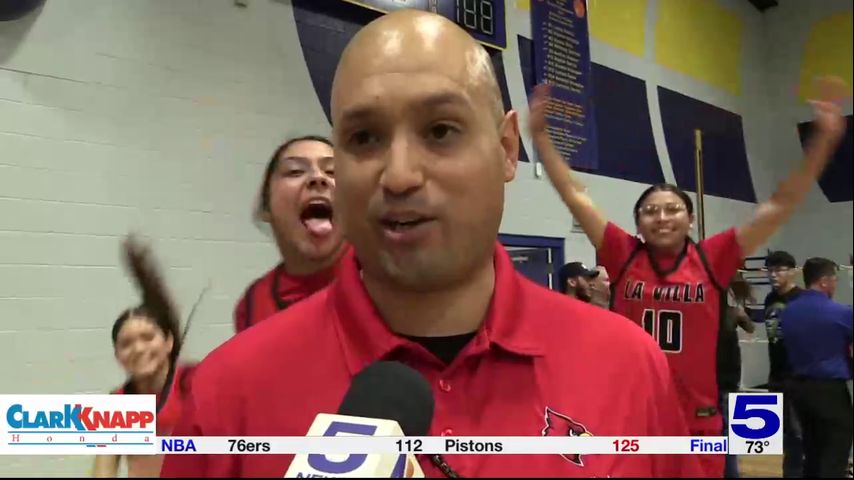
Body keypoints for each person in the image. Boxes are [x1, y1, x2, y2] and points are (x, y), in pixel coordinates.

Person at [161, 10, 702, 478]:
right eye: (365, 137)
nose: (399, 175)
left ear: (506, 148)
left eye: (441, 130)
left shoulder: (628, 368)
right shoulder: (228, 396)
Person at [529, 75, 846, 477]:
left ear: (690, 219)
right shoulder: (623, 254)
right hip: (635, 414)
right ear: (638, 224)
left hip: (697, 418)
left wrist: (822, 144)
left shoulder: (713, 257)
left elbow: (780, 205)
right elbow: (575, 194)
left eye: (672, 209)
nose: (662, 217)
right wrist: (541, 138)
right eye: (650, 211)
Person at [93, 237, 195, 478]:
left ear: (168, 342)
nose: (138, 348)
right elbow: (103, 468)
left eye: (147, 337)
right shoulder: (118, 404)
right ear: (118, 356)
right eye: (126, 344)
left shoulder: (195, 384)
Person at [233, 136, 348, 333]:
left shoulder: (387, 277)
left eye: (332, 171)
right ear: (266, 208)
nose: (318, 178)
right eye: (295, 171)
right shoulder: (252, 304)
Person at [782, 257, 853, 478]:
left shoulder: (788, 311)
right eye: (834, 279)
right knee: (834, 452)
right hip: (829, 390)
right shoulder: (840, 312)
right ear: (824, 281)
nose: (835, 284)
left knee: (812, 450)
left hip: (799, 390)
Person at [763, 249, 805, 478]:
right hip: (777, 374)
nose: (773, 275)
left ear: (792, 272)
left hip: (798, 375)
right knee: (786, 432)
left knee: (799, 432)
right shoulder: (770, 299)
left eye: (778, 270)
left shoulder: (802, 299)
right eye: (770, 270)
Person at [719, 274, 757, 478]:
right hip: (724, 380)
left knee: (726, 435)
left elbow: (750, 327)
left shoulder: (729, 313)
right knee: (727, 436)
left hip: (724, 380)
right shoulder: (730, 313)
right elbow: (750, 327)